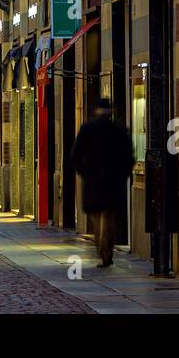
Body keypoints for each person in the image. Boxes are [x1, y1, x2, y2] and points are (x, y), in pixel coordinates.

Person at [71, 98, 135, 267]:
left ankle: (102, 251)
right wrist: (123, 175)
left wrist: (83, 172)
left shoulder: (88, 128)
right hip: (114, 181)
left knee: (96, 218)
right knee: (110, 217)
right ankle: (108, 252)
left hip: (93, 181)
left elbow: (76, 154)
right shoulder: (119, 129)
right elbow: (129, 155)